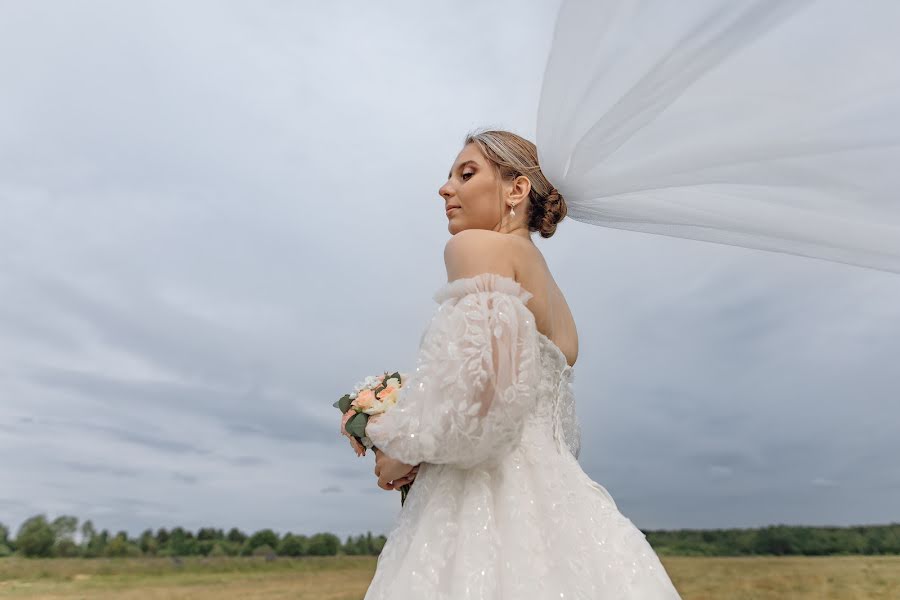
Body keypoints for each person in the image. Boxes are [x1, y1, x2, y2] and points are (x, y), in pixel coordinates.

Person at [363, 130, 682, 599]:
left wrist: (400, 449)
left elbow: (484, 395)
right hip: (563, 503)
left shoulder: (475, 246)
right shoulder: (555, 296)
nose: (445, 188)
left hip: (483, 501)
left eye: (465, 173)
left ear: (517, 189)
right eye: (449, 176)